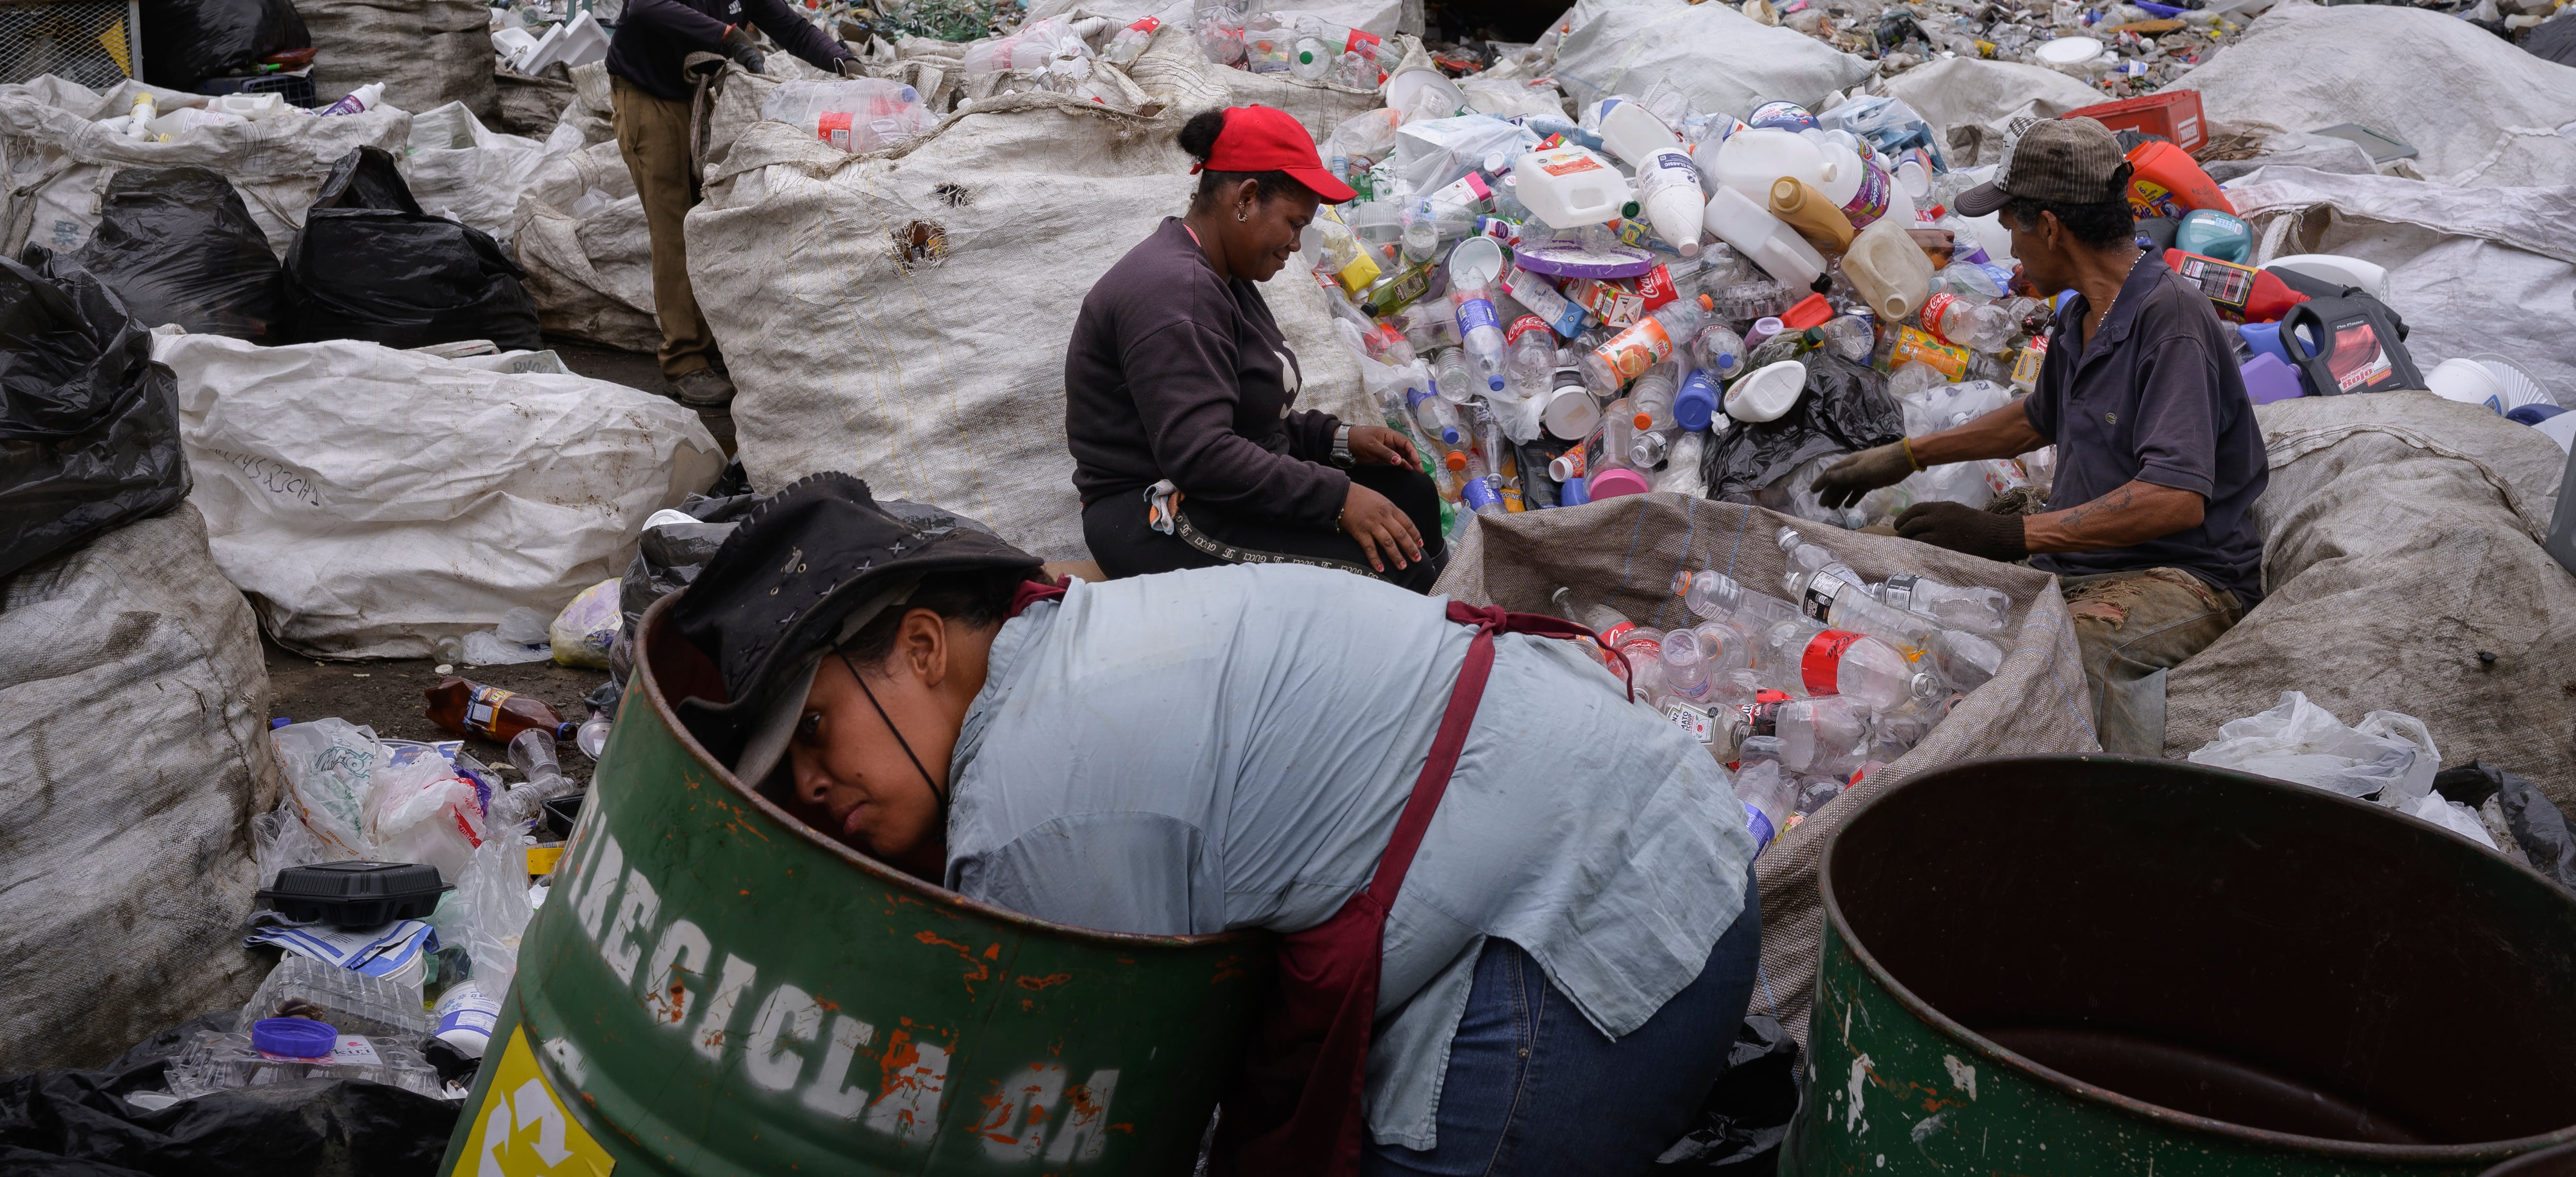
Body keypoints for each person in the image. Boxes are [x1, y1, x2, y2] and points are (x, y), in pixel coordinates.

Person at [673, 474, 1762, 1177]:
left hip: (1605, 930)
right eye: (788, 767)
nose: (811, 783)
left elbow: (1089, 1121)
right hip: (1654, 837)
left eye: (817, 727)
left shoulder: (1029, 808)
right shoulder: (1071, 634)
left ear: (919, 647)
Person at [1811, 116, 2269, 743]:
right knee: (1893, 562)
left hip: (2183, 576)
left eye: (2012, 231)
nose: (2013, 252)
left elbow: (2175, 499)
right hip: (2080, 553)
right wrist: (1907, 454)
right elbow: (2037, 419)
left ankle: (2112, 810)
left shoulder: (2170, 322)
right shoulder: (2083, 312)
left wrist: (2010, 533)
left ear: (2049, 228)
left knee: (2075, 655)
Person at [1066, 104, 1447, 591]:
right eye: (1293, 223)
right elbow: (1203, 453)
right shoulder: (1177, 290)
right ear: (1246, 198)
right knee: (1395, 570)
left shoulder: (1223, 276)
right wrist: (1339, 499)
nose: (1295, 243)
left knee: (1408, 493)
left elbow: (1245, 417)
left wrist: (1335, 439)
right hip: (1156, 510)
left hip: (1210, 486)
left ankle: (1458, 619)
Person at [605, 0, 853, 408]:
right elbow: (646, 6)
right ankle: (684, 360)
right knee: (676, 226)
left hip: (697, 100)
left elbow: (788, 26)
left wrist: (841, 62)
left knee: (711, 216)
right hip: (649, 99)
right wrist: (727, 36)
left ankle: (713, 338)